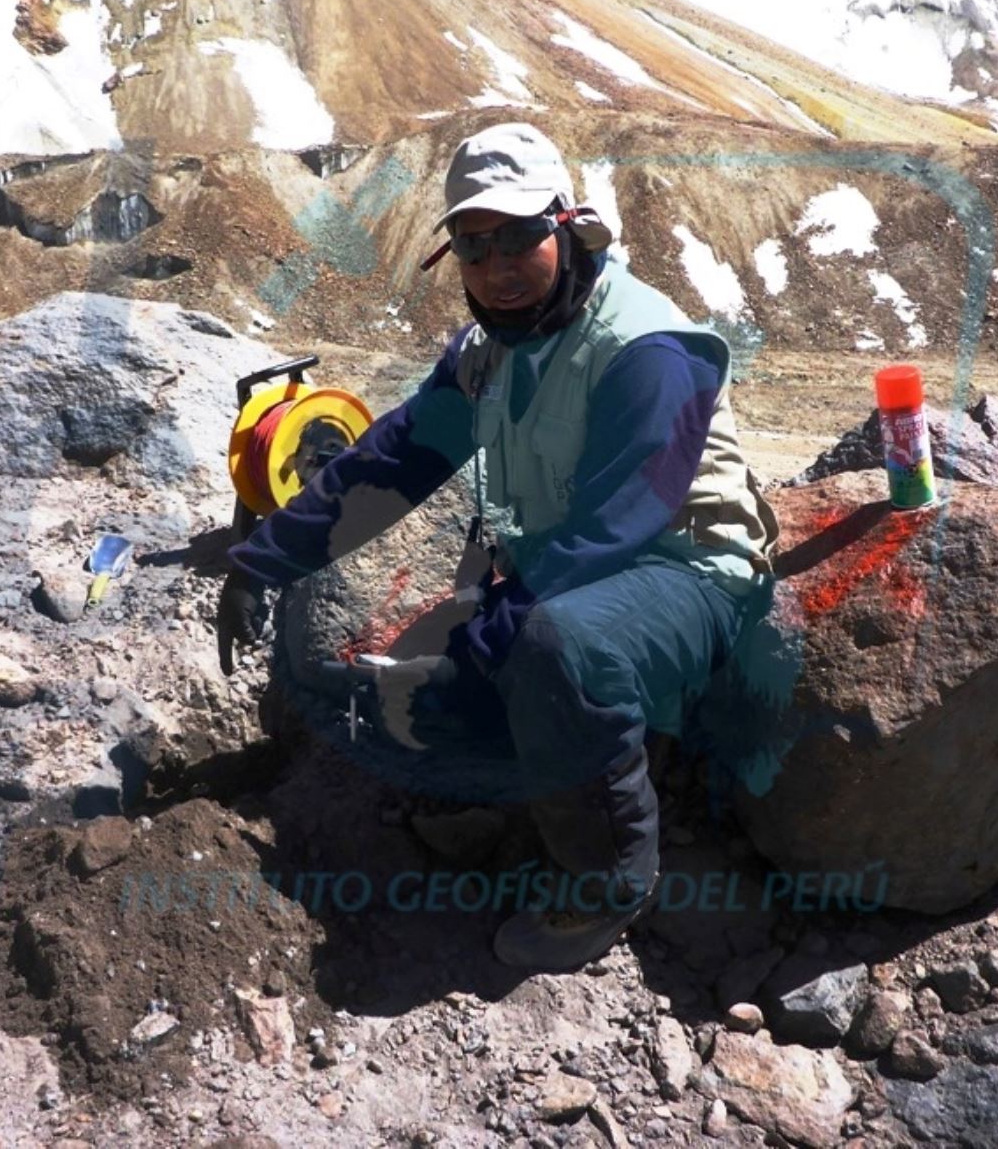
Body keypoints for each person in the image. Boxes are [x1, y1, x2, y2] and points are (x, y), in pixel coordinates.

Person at [217, 122, 778, 971]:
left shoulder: (647, 348)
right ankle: (517, 791)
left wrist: (499, 625)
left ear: (570, 226)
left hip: (685, 574)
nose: (498, 269)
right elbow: (394, 460)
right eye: (474, 249)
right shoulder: (490, 351)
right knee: (434, 696)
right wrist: (266, 561)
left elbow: (617, 527)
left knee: (550, 648)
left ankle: (607, 883)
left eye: (520, 238)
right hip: (574, 569)